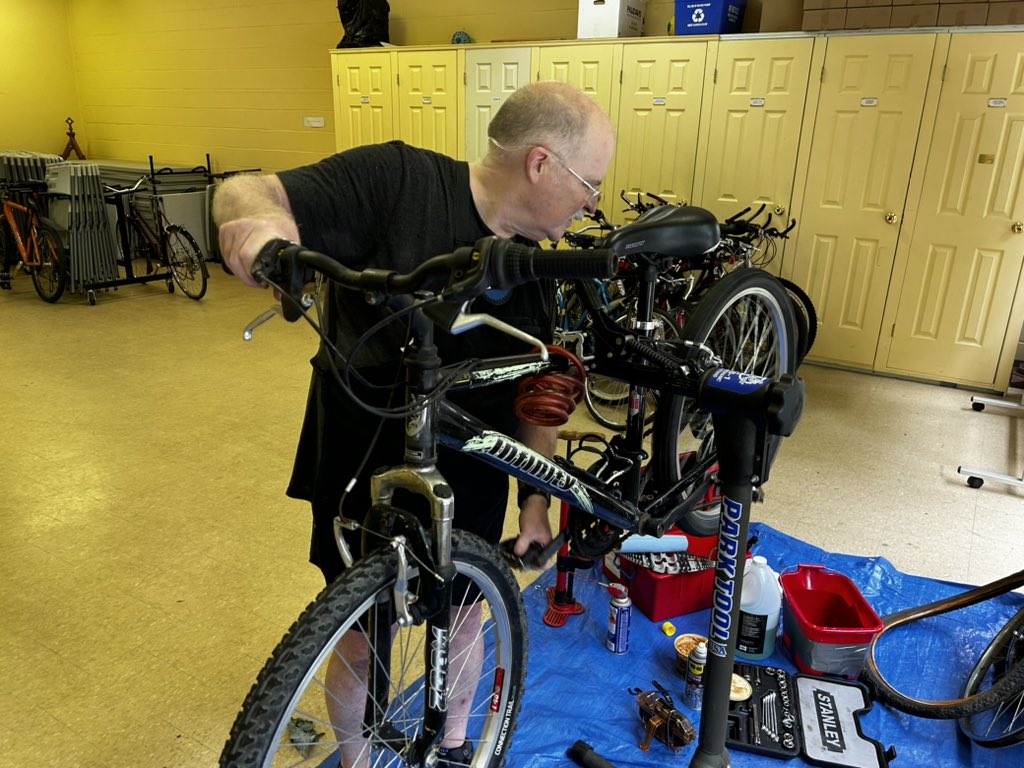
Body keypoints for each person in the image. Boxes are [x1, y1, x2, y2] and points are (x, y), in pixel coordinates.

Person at [213, 80, 615, 768]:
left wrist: (538, 505)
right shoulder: (397, 181)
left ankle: (457, 746)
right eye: (590, 185)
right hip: (364, 448)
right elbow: (246, 191)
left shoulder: (542, 262)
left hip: (475, 462)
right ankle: (356, 758)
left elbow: (538, 393)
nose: (592, 205)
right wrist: (262, 240)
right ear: (541, 164)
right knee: (361, 629)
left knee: (464, 612)